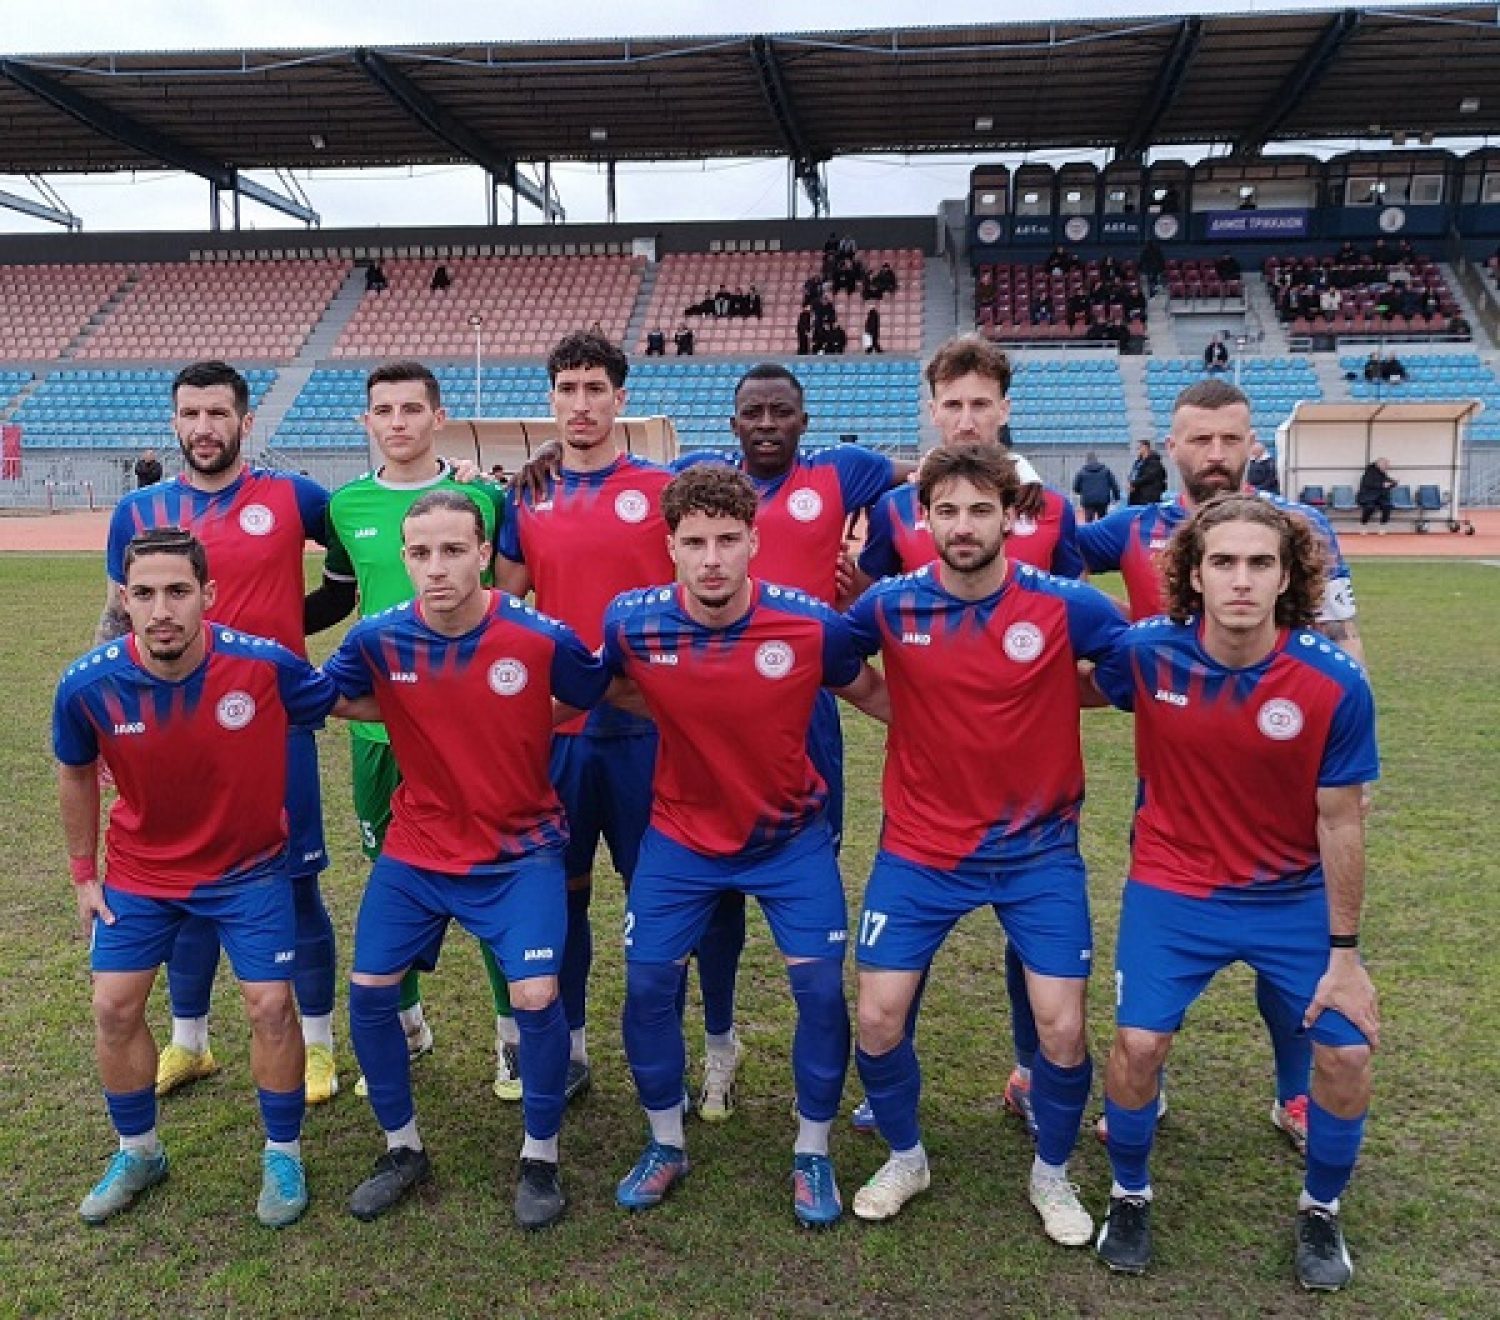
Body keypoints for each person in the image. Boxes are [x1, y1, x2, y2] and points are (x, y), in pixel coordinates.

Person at [1091, 495, 1379, 1291]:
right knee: (1138, 1047)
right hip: (1174, 888)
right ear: (1193, 573)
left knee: (1349, 1051)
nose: (1241, 580)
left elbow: (1342, 822)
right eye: (1223, 562)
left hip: (1292, 897)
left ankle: (1321, 1209)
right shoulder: (1147, 653)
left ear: (1288, 577)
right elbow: (1064, 688)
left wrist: (1346, 955)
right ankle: (1129, 1192)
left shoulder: (1334, 683)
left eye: (1260, 563)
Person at [844, 444, 1128, 1243]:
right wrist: (900, 710)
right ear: (924, 519)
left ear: (1010, 516)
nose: (963, 526)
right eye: (947, 511)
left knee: (1062, 1030)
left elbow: (1129, 672)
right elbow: (839, 665)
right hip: (921, 849)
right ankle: (906, 1157)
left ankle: (1053, 1175)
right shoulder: (890, 605)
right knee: (878, 1019)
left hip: (1039, 851)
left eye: (979, 510)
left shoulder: (1067, 606)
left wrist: (1052, 695)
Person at [1078, 378, 1366, 1148]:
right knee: (1168, 936)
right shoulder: (1133, 527)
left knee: (1289, 943)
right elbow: (1044, 560)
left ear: (1252, 445)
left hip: (1286, 760)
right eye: (1200, 439)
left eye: (1230, 439)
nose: (1215, 453)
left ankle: (1294, 1092)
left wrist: (1355, 762)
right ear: (1170, 446)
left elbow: (1342, 636)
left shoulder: (1302, 527)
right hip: (1179, 755)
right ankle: (1148, 1083)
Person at [603, 465, 888, 1227]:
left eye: (728, 540)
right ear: (670, 546)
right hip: (681, 837)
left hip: (788, 839)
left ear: (754, 542)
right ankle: (665, 1143)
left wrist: (965, 738)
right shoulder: (630, 622)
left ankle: (812, 1151)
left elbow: (874, 694)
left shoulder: (809, 624)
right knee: (647, 988)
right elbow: (609, 688)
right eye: (695, 542)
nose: (712, 559)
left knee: (821, 994)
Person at [56, 528, 366, 1227]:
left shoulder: (266, 666)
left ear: (209, 595)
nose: (161, 610)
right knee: (113, 1008)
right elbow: (74, 772)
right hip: (140, 872)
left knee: (270, 1007)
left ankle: (282, 1154)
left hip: (248, 870)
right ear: (124, 599)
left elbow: (346, 703)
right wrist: (82, 874)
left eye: (178, 591)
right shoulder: (87, 685)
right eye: (144, 594)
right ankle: (139, 1152)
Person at [324, 492, 614, 1229]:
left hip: (520, 849)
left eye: (453, 551)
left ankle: (541, 1156)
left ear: (483, 554)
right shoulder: (376, 638)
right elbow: (336, 699)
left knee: (536, 996)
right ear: (404, 558)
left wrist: (519, 716)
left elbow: (596, 690)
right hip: (419, 848)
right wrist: (420, 711)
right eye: (420, 553)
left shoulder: (540, 637)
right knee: (369, 991)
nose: (436, 568)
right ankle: (402, 1150)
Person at [496, 331, 736, 1107]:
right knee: (561, 895)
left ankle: (667, 1053)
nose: (581, 404)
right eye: (567, 389)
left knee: (660, 901)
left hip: (651, 733)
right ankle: (569, 1050)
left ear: (620, 398)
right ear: (550, 399)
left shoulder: (664, 488)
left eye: (595, 388)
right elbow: (503, 606)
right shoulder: (526, 496)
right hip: (560, 735)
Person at [852, 335, 1082, 1139]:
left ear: (1004, 408)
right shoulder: (898, 507)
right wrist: (913, 710)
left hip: (1030, 792)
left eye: (981, 403)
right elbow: (867, 608)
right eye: (952, 404)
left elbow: (1073, 630)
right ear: (932, 409)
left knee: (1035, 945)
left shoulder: (1051, 508)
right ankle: (889, 1077)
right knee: (899, 956)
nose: (967, 419)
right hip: (931, 792)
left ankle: (1031, 1070)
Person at [101, 361, 346, 1106]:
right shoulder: (138, 510)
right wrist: (110, 726)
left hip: (270, 729)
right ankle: (191, 1042)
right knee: (181, 888)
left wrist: (284, 628)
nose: (204, 428)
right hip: (168, 733)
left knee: (296, 886)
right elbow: (117, 615)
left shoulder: (295, 497)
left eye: (217, 414)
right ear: (174, 421)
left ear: (245, 421)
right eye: (190, 414)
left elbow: (348, 573)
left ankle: (317, 1045)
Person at [321, 361, 515, 1099]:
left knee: (492, 876)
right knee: (389, 879)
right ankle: (405, 1027)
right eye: (383, 410)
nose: (397, 422)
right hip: (382, 731)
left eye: (411, 408)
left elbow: (516, 588)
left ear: (439, 417)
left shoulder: (483, 498)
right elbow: (336, 595)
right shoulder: (345, 506)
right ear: (366, 421)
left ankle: (511, 1037)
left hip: (471, 731)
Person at [1072, 452, 1121, 522]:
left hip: (1088, 501)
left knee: (1089, 522)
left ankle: (1089, 529)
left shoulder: (1081, 472)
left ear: (1087, 460)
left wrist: (1084, 492)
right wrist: (1117, 497)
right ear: (1096, 460)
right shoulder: (1106, 470)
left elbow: (1075, 488)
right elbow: (1114, 485)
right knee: (1102, 521)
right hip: (1103, 501)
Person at [1356, 458, 1397, 528]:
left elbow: (1388, 481)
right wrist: (1382, 485)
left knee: (1387, 505)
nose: (1387, 467)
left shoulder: (1382, 473)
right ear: (1379, 465)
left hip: (1379, 497)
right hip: (1367, 496)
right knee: (1370, 507)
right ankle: (1363, 523)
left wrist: (1394, 483)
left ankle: (1383, 524)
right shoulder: (1369, 472)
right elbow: (1369, 483)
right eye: (1386, 465)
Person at [1126, 441, 1167, 506]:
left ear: (1145, 447)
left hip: (1148, 498)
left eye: (1139, 447)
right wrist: (1130, 484)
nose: (1137, 449)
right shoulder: (1138, 462)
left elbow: (1148, 477)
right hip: (1136, 496)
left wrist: (1133, 483)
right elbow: (1133, 474)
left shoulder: (1154, 462)